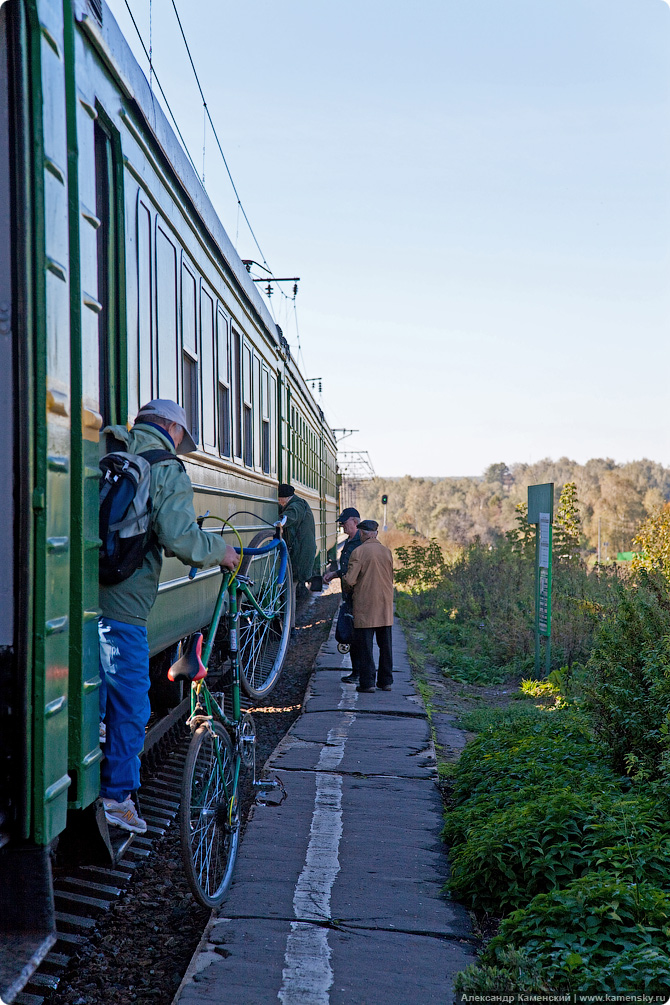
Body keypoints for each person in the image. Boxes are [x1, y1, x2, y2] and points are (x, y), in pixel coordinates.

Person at [99, 399, 238, 834]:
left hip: (87, 599)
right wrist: (223, 552)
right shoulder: (167, 467)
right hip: (126, 606)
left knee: (97, 694)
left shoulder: (109, 448)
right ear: (174, 430)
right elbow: (182, 538)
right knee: (132, 703)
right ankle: (117, 799)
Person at [342, 519, 394, 693]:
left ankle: (368, 683)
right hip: (385, 605)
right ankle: (386, 681)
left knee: (365, 646)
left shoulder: (359, 552)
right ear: (376, 533)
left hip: (366, 606)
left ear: (362, 533)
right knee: (385, 645)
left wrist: (345, 585)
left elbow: (350, 580)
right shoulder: (386, 552)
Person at [323, 507, 363, 683]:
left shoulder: (361, 542)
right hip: (349, 592)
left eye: (344, 523)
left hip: (358, 594)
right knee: (351, 632)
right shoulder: (350, 540)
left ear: (355, 521)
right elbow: (347, 568)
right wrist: (335, 574)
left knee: (357, 635)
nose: (342, 526)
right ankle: (357, 672)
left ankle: (359, 673)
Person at [277, 484, 317, 624]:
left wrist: (281, 521)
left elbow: (291, 515)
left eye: (280, 499)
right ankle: (290, 624)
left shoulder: (297, 505)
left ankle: (290, 625)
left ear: (285, 498)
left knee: (290, 591)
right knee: (290, 590)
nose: (279, 502)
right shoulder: (298, 503)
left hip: (300, 555)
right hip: (299, 553)